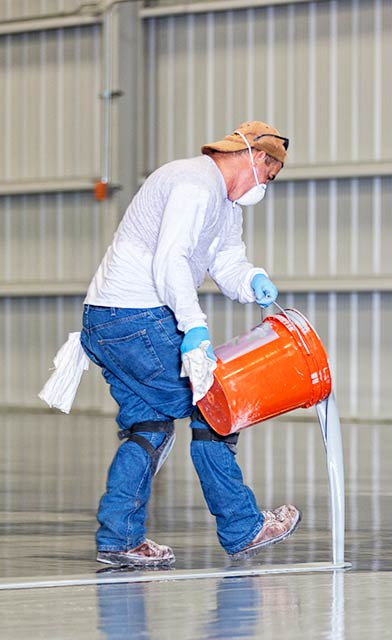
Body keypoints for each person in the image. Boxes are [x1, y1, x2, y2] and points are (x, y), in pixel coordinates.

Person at [79, 120, 300, 567]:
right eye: (270, 175)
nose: (267, 185)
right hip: (134, 317)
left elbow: (225, 258)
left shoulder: (224, 203)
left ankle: (119, 537)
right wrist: (194, 328)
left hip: (107, 318)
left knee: (150, 429)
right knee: (216, 405)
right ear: (257, 158)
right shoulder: (193, 184)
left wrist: (251, 279)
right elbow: (171, 260)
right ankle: (243, 528)